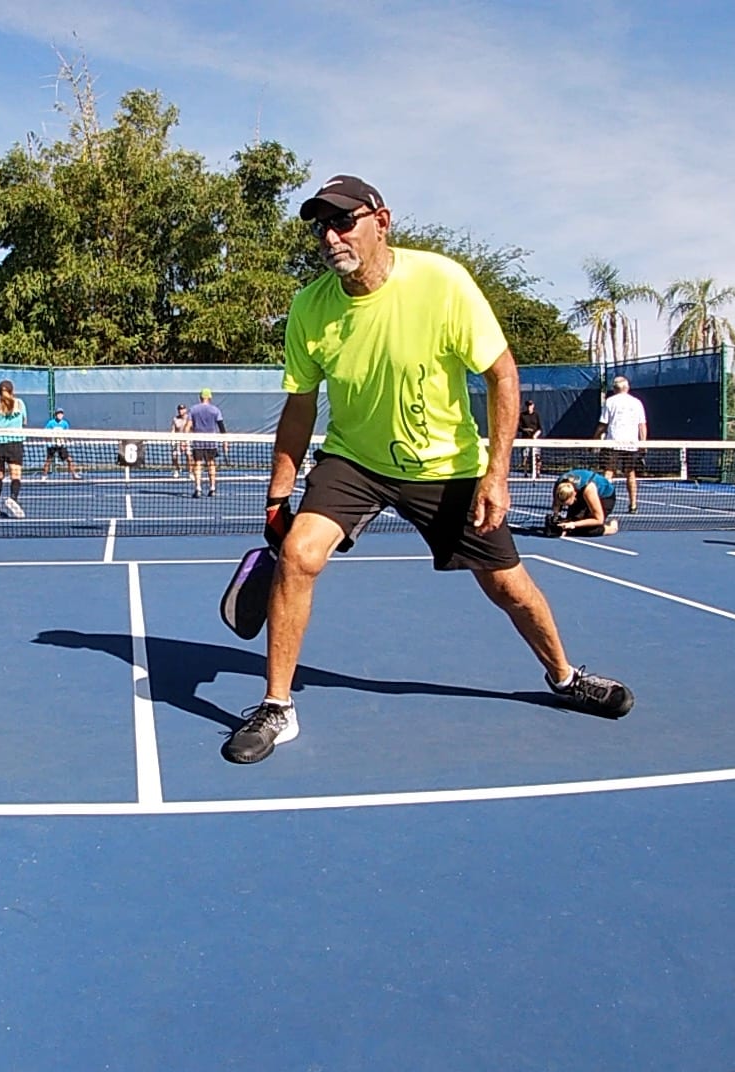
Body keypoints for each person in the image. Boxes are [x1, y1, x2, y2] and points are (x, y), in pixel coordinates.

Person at [223, 174, 632, 765]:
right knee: (298, 554)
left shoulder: (442, 282)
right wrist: (278, 494)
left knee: (507, 586)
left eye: (344, 221)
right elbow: (301, 404)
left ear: (380, 221)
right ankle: (277, 707)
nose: (331, 235)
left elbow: (502, 375)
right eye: (322, 225)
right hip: (354, 459)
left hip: (447, 464)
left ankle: (565, 678)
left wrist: (496, 475)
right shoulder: (310, 308)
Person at [593, 376, 648, 513]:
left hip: (614, 444)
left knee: (608, 474)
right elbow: (642, 426)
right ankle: (633, 505)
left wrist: (594, 439)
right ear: (627, 388)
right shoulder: (637, 403)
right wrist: (643, 443)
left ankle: (600, 504)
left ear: (614, 388)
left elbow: (602, 425)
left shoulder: (610, 401)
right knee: (630, 473)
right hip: (627, 444)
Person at [0, 378, 27, 518]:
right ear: (13, 391)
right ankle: (13, 498)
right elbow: (25, 422)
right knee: (16, 474)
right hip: (15, 442)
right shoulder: (19, 404)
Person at [546, 468, 620, 537]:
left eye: (568, 504)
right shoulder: (559, 486)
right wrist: (556, 518)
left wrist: (573, 524)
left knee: (588, 530)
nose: (565, 506)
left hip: (605, 496)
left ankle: (611, 528)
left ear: (574, 495)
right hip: (581, 494)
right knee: (571, 527)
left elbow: (598, 519)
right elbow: (556, 505)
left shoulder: (588, 489)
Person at [186, 388, 226, 498]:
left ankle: (198, 488)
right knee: (211, 464)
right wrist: (225, 441)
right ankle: (212, 488)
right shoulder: (215, 410)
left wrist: (183, 439)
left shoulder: (193, 409)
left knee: (198, 464)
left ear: (200, 397)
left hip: (198, 441)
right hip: (211, 442)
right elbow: (221, 427)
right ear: (209, 397)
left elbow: (188, 426)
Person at [42, 407, 81, 478]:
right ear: (56, 415)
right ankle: (44, 476)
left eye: (61, 414)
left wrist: (68, 441)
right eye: (58, 414)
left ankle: (74, 475)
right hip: (52, 445)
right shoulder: (51, 423)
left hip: (61, 446)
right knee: (48, 460)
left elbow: (66, 434)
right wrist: (48, 441)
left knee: (69, 460)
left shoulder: (65, 424)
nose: (60, 415)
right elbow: (45, 432)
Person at [514, 398, 543, 474]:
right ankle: (525, 472)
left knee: (537, 457)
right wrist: (526, 430)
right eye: (527, 405)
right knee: (525, 457)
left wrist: (535, 435)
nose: (529, 407)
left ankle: (538, 472)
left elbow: (540, 428)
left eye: (530, 405)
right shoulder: (522, 415)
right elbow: (519, 428)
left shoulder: (536, 415)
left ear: (533, 406)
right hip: (525, 440)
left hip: (535, 440)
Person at [169, 403, 192, 477]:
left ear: (185, 410)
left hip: (187, 440)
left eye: (182, 409)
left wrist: (185, 441)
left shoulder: (189, 419)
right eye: (179, 409)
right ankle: (177, 470)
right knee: (175, 456)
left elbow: (192, 429)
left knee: (189, 456)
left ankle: (190, 472)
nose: (181, 411)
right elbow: (173, 430)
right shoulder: (175, 419)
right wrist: (173, 440)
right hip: (178, 440)